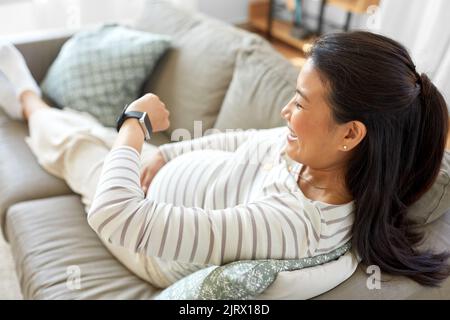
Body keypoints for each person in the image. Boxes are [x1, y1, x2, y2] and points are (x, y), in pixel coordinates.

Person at [0, 31, 449, 289]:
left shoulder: (290, 223)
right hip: (157, 172)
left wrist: (135, 123)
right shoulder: (317, 156)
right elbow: (242, 142)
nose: (285, 112)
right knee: (88, 135)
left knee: (74, 146)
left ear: (351, 133)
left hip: (145, 234)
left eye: (299, 102)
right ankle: (37, 106)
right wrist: (167, 154)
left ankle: (27, 99)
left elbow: (114, 214)